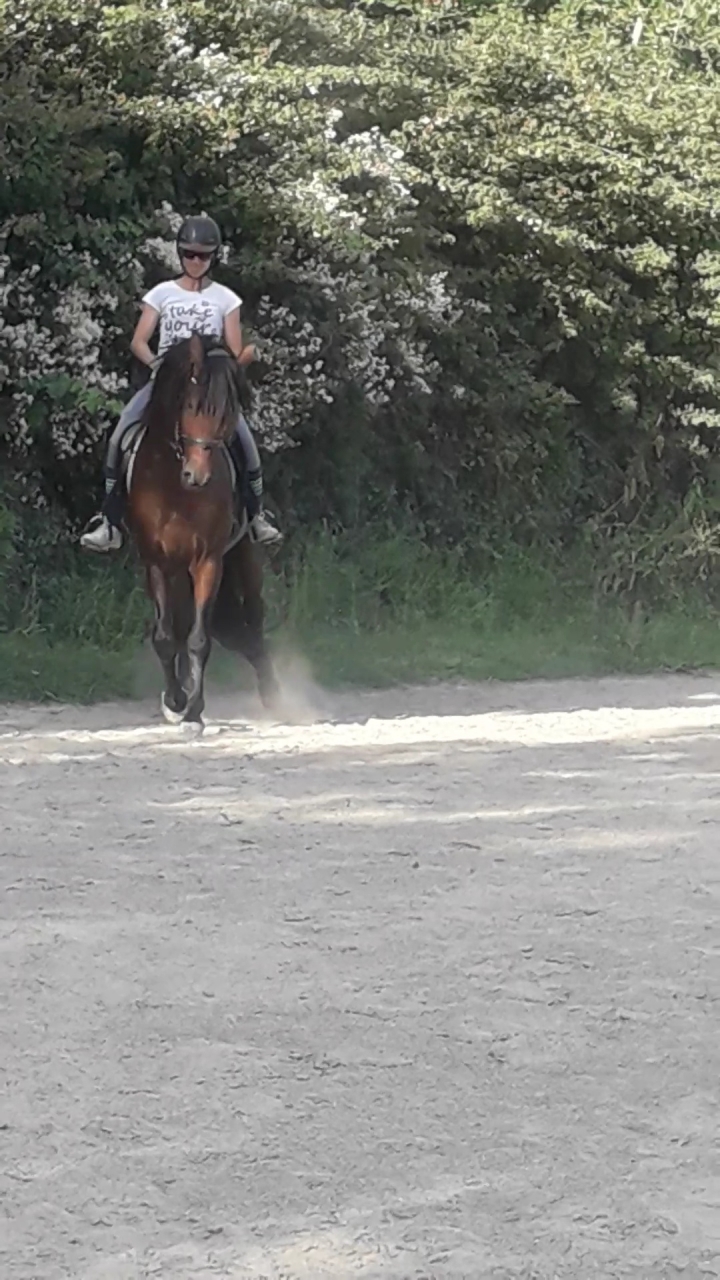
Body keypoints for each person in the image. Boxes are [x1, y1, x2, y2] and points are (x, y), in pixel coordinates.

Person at [80, 214, 282, 552]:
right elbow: (139, 341)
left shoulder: (226, 299)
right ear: (179, 253)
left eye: (203, 255)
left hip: (208, 388)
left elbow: (233, 351)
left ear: (214, 257)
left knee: (245, 440)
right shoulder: (162, 293)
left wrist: (244, 358)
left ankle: (256, 514)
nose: (196, 261)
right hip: (166, 383)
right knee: (120, 432)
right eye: (189, 254)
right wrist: (155, 364)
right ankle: (109, 522)